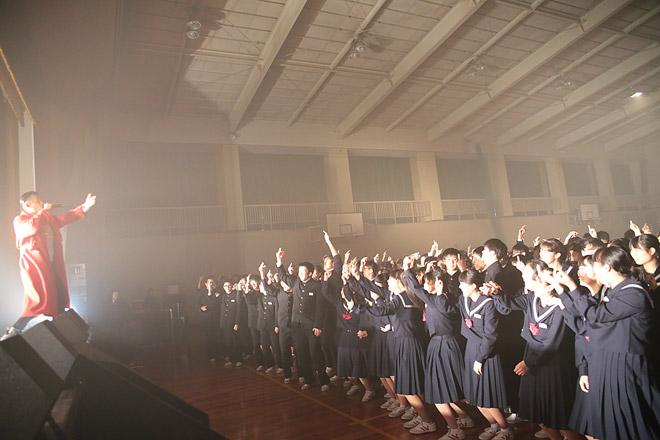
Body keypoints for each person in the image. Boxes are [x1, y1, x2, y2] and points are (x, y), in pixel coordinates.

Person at [554, 246, 660, 440]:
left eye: (594, 266)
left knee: (634, 422)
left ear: (607, 267)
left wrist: (572, 286)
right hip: (611, 361)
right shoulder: (614, 291)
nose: (593, 271)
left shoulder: (633, 293)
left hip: (626, 364)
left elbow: (596, 315)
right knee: (612, 424)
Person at [2, 192, 96, 340]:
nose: (41, 202)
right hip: (35, 267)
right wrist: (44, 211)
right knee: (37, 301)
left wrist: (85, 206)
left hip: (50, 266)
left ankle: (64, 334)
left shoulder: (47, 219)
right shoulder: (20, 220)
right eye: (37, 201)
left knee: (59, 297)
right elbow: (32, 227)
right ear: (28, 205)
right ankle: (14, 331)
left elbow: (67, 217)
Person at [276, 247, 331, 391]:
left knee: (315, 353)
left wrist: (318, 325)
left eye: (303, 271)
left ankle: (324, 381)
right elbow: (282, 275)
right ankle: (309, 380)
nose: (300, 274)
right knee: (301, 354)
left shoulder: (317, 286)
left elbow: (320, 308)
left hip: (312, 326)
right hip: (297, 326)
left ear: (310, 273)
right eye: (299, 271)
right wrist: (279, 260)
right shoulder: (295, 283)